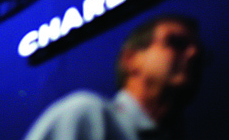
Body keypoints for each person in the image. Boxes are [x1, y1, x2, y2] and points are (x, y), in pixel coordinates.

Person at [23, 15, 204, 140]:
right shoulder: (88, 115)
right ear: (131, 60)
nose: (194, 54)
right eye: (176, 43)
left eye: (200, 52)